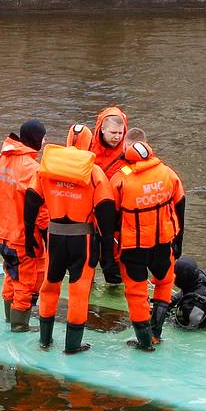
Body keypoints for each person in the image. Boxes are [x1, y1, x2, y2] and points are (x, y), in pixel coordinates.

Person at [23, 139, 116, 355]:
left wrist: (29, 236)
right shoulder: (94, 172)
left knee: (49, 286)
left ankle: (45, 340)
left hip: (54, 236)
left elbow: (31, 198)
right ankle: (72, 346)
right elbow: (106, 209)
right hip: (81, 239)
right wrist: (107, 253)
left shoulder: (48, 168)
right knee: (79, 292)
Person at [110, 140, 186, 351]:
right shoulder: (168, 173)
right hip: (164, 242)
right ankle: (157, 334)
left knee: (136, 293)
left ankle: (144, 342)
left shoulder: (120, 179)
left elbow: (109, 215)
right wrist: (179, 239)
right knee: (164, 283)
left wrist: (109, 249)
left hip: (133, 247)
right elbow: (180, 203)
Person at [0, 118, 47, 332]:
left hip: (2, 230)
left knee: (10, 274)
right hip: (22, 235)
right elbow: (41, 209)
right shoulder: (32, 168)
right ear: (36, 139)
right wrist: (47, 234)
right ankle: (19, 325)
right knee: (25, 282)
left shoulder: (1, 159)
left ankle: (9, 317)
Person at [90, 106, 128, 285]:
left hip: (116, 217)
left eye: (120, 133)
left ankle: (114, 283)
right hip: (90, 214)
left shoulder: (129, 152)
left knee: (113, 263)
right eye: (113, 132)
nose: (117, 137)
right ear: (102, 129)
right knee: (88, 259)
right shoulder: (88, 149)